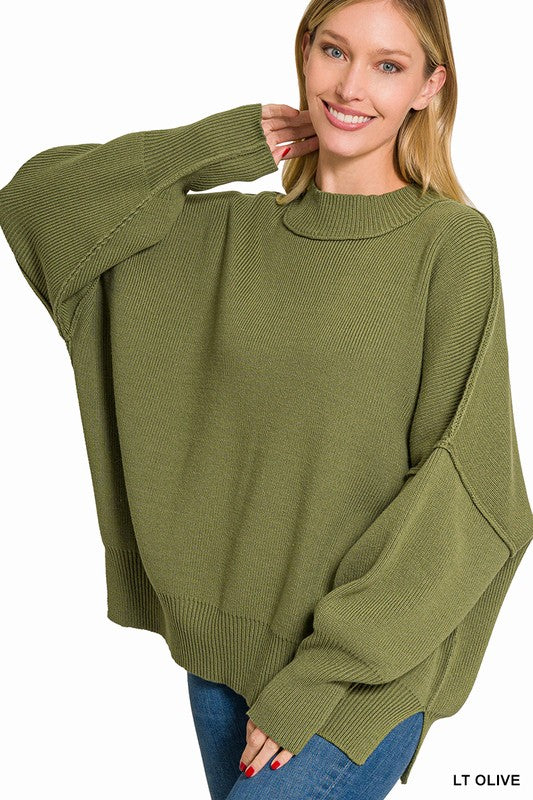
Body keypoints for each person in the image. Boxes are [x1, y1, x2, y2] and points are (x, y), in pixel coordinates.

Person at [0, 0, 531, 798]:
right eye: (333, 50)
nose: (350, 86)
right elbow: (37, 206)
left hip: (360, 676)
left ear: (429, 87)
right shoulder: (217, 235)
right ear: (303, 53)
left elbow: (469, 493)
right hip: (222, 665)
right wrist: (214, 145)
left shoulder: (449, 245)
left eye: (388, 65)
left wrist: (319, 679)